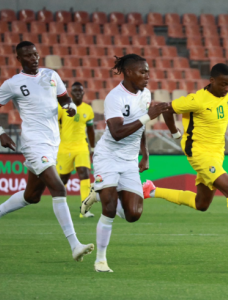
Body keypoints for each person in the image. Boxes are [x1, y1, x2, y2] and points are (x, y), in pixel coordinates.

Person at [143, 63, 228, 260]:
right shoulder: (197, 100)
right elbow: (167, 109)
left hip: (218, 153)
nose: (227, 88)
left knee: (201, 203)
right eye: (222, 84)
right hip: (199, 152)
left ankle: (151, 191)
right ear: (211, 81)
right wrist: (176, 134)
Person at [0, 41, 94, 261]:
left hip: (53, 142)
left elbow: (65, 100)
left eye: (35, 54)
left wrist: (70, 108)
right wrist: (1, 132)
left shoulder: (51, 75)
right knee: (58, 188)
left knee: (32, 196)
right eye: (28, 56)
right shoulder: (13, 83)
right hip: (34, 143)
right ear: (19, 59)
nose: (34, 58)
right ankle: (75, 245)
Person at [86, 54, 168, 272]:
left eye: (148, 72)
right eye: (143, 72)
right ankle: (100, 260)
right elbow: (116, 133)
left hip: (130, 160)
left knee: (133, 214)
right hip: (108, 157)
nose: (147, 76)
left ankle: (98, 191)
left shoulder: (145, 93)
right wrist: (147, 117)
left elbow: (140, 127)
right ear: (129, 72)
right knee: (110, 209)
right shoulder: (115, 97)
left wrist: (145, 153)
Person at [57, 82, 95, 218]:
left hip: (81, 146)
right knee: (63, 179)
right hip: (64, 146)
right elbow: (55, 126)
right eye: (75, 91)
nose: (78, 93)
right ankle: (60, 207)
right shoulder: (62, 108)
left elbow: (90, 129)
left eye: (80, 90)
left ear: (83, 93)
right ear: (70, 93)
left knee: (85, 173)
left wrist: (93, 147)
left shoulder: (88, 109)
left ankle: (84, 210)